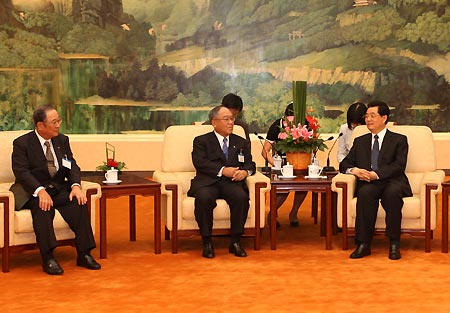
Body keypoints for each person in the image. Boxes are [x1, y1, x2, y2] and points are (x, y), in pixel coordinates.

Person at [10, 105, 101, 275]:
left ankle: (84, 253)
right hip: (33, 190)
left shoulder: (62, 140)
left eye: (59, 120)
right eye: (54, 122)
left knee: (78, 202)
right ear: (40, 126)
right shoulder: (22, 144)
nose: (59, 124)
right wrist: (39, 190)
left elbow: (71, 165)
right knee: (43, 208)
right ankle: (48, 257)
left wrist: (75, 186)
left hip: (57, 187)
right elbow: (22, 173)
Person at [339, 100, 412, 260]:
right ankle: (363, 244)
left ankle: (394, 243)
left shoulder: (399, 140)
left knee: (392, 194)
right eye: (366, 116)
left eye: (373, 116)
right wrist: (355, 171)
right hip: (370, 183)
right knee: (364, 193)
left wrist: (376, 174)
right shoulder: (360, 141)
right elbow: (344, 164)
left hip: (392, 180)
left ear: (384, 118)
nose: (368, 120)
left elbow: (399, 166)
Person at [188, 106, 256, 258]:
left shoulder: (240, 142)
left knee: (241, 197)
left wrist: (245, 172)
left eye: (232, 119)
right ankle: (207, 242)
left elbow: (250, 164)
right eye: (226, 119)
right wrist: (223, 170)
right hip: (208, 182)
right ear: (214, 122)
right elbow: (199, 162)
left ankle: (235, 241)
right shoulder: (202, 141)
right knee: (204, 198)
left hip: (231, 183)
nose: (231, 122)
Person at [261, 102, 307, 228]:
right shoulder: (276, 126)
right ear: (284, 117)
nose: (292, 125)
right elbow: (264, 151)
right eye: (289, 121)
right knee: (284, 189)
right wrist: (276, 165)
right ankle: (272, 213)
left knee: (303, 187)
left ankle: (294, 213)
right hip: (282, 163)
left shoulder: (305, 125)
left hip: (299, 162)